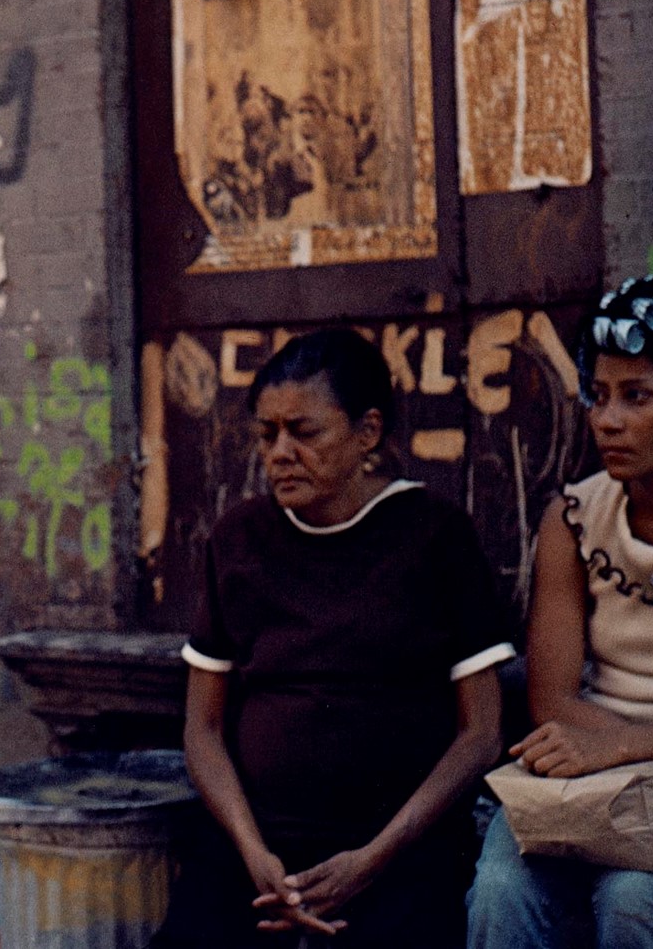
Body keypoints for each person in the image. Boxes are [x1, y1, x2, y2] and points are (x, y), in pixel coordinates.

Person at [155, 327, 512, 948]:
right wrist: (251, 850)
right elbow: (203, 729)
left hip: (398, 849)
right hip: (257, 847)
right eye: (267, 435)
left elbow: (479, 735)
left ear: (367, 432)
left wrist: (373, 857)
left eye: (305, 431)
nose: (280, 452)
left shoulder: (434, 535)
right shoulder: (238, 539)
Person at [467, 277, 653, 948]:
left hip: (620, 754)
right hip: (586, 759)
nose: (607, 420)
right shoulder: (575, 518)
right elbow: (553, 699)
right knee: (499, 891)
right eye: (599, 395)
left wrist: (618, 744)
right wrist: (597, 749)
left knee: (634, 901)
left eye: (637, 396)